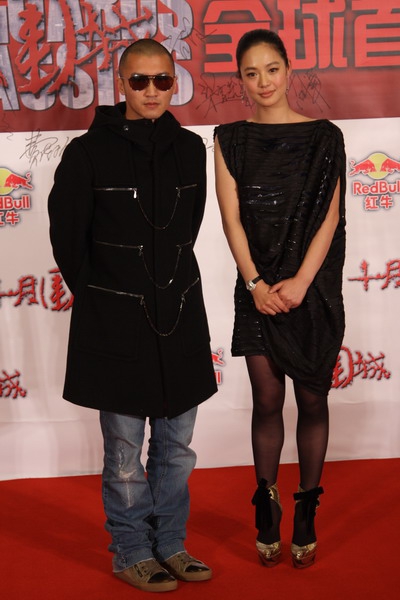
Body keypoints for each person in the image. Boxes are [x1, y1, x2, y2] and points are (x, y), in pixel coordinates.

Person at [48, 39, 217, 592]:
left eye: (162, 80)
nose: (151, 91)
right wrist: (107, 297)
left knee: (177, 448)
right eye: (139, 80)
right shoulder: (87, 153)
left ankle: (171, 543)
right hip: (115, 322)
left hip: (180, 315)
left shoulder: (190, 149)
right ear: (121, 84)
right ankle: (130, 551)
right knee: (123, 450)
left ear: (175, 83)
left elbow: (188, 228)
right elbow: (69, 241)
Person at [214, 29, 346, 569]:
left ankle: (307, 508)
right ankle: (266, 505)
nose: (263, 81)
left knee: (312, 402)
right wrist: (255, 285)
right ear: (240, 80)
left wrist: (301, 282)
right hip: (257, 291)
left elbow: (330, 217)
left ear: (289, 70)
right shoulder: (229, 139)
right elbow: (231, 219)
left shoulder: (325, 137)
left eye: (271, 69)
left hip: (311, 291)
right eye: (251, 73)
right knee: (267, 402)